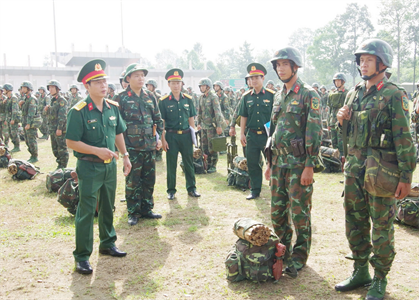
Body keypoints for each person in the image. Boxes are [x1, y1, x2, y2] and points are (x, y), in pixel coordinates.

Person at [335, 39, 416, 300]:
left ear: (382, 63)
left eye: (369, 59)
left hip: (382, 173)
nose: (363, 64)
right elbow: (345, 133)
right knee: (355, 222)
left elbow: (404, 138)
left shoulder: (394, 94)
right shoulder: (354, 92)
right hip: (354, 171)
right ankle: (360, 270)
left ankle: (380, 277)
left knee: (381, 226)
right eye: (361, 60)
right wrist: (340, 119)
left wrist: (406, 176)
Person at [66, 59, 132, 275]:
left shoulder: (112, 108)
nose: (104, 85)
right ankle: (82, 256)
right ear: (87, 86)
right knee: (86, 211)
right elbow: (71, 142)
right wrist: (96, 150)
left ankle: (107, 243)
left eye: (104, 81)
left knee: (108, 206)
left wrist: (125, 156)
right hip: (89, 167)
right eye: (97, 82)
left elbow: (119, 132)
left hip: (109, 168)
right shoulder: (79, 111)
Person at [265, 47, 321, 277]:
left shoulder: (309, 94)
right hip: (278, 164)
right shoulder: (278, 95)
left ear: (295, 66)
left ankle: (299, 257)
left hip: (299, 165)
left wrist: (310, 165)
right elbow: (274, 130)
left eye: (284, 64)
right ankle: (283, 250)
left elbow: (314, 131)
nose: (280, 69)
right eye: (277, 65)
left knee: (300, 213)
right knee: (277, 213)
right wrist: (269, 163)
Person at [119, 64, 163, 225]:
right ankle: (133, 211)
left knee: (149, 179)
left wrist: (158, 138)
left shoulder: (150, 96)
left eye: (142, 76)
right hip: (131, 147)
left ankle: (147, 208)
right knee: (133, 180)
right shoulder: (122, 98)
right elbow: (118, 124)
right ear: (128, 78)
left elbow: (158, 120)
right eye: (136, 75)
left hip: (149, 146)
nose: (140, 78)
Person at [158, 68, 200, 200]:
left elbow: (191, 119)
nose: (176, 85)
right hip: (171, 136)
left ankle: (191, 188)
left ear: (182, 84)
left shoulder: (188, 99)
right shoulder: (163, 101)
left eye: (178, 82)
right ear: (168, 84)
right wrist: (163, 140)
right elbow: (162, 122)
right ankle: (171, 190)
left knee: (189, 163)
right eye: (173, 83)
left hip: (186, 135)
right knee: (171, 164)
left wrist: (193, 136)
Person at [238, 63, 274, 200]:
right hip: (251, 135)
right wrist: (242, 133)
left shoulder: (271, 96)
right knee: (253, 164)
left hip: (267, 136)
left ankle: (275, 188)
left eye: (256, 78)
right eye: (251, 78)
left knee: (272, 162)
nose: (253, 81)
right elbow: (243, 116)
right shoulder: (246, 97)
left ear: (263, 78)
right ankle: (255, 190)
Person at [197, 78, 224, 173]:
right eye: (200, 86)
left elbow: (217, 112)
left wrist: (219, 125)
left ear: (208, 86)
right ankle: (206, 164)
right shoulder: (201, 97)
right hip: (204, 126)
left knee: (212, 146)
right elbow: (199, 111)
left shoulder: (213, 97)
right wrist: (198, 123)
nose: (201, 88)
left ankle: (213, 165)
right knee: (204, 146)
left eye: (202, 86)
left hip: (212, 126)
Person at [45, 80, 69, 169]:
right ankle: (59, 164)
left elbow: (62, 116)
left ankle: (63, 166)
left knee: (61, 147)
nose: (50, 89)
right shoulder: (52, 100)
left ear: (57, 88)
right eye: (49, 88)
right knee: (55, 148)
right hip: (52, 128)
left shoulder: (61, 100)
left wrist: (59, 128)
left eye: (52, 87)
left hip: (59, 128)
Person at [19, 81, 41, 163]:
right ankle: (32, 155)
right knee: (27, 140)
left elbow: (31, 112)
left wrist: (28, 123)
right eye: (22, 88)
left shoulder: (32, 98)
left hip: (31, 123)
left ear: (29, 88)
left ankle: (35, 156)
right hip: (26, 122)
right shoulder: (26, 98)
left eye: (24, 88)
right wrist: (21, 105)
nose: (23, 89)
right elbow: (24, 112)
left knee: (31, 140)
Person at [327, 73, 348, 160]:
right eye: (335, 81)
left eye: (339, 81)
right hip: (332, 121)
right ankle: (335, 161)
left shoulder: (346, 93)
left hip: (341, 122)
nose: (337, 83)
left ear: (343, 82)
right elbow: (330, 110)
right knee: (334, 142)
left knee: (341, 143)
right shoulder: (332, 94)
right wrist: (328, 122)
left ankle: (342, 161)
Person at [146, 78, 164, 162]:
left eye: (151, 86)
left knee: (159, 136)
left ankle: (159, 153)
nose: (149, 87)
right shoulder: (145, 96)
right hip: (149, 120)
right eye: (148, 86)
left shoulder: (159, 97)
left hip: (157, 119)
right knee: (151, 136)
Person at [2, 84, 20, 152]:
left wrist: (13, 119)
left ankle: (17, 146)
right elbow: (7, 110)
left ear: (8, 90)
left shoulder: (13, 98)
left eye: (4, 89)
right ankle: (15, 145)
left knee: (14, 132)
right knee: (10, 133)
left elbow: (15, 110)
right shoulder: (8, 98)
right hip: (9, 118)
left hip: (13, 118)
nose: (3, 91)